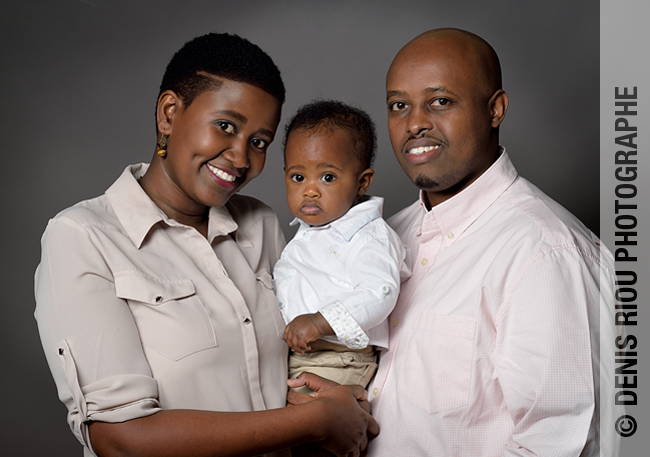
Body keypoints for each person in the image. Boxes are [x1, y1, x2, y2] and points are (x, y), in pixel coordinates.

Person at [34, 33, 377, 457]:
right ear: (169, 113)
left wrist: (328, 398)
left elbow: (280, 371)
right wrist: (316, 421)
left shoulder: (262, 224)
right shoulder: (83, 237)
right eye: (226, 126)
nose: (240, 158)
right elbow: (120, 439)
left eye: (260, 142)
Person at [291, 28, 619, 456]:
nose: (414, 123)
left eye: (440, 101)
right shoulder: (384, 237)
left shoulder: (548, 254)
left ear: (495, 109)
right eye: (399, 105)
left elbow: (565, 444)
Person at [275, 100, 408, 395]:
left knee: (308, 431)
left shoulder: (369, 236)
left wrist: (320, 322)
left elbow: (379, 292)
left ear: (362, 182)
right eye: (298, 177)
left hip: (338, 361)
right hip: (303, 356)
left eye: (328, 177)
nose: (309, 189)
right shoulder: (311, 233)